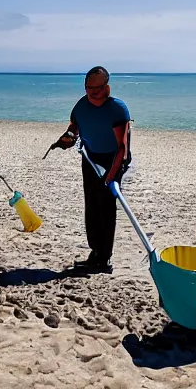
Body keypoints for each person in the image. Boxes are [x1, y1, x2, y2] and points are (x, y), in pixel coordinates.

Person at [51, 67, 132, 273]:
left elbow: (122, 147)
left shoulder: (117, 109)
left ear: (107, 87)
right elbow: (73, 130)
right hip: (90, 157)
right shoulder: (80, 106)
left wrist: (111, 177)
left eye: (97, 88)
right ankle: (95, 252)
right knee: (92, 205)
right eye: (89, 88)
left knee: (106, 207)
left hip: (113, 159)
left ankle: (103, 258)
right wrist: (65, 139)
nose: (93, 92)